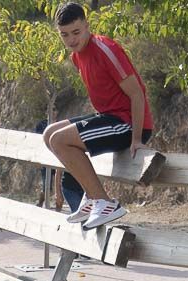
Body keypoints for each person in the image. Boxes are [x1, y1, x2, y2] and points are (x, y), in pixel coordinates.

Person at [45, 2, 153, 229]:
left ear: (87, 26)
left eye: (76, 32)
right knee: (49, 134)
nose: (71, 40)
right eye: (64, 35)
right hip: (109, 118)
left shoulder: (105, 49)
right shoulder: (77, 57)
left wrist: (136, 139)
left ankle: (104, 202)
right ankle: (92, 195)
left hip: (129, 123)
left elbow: (137, 94)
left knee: (59, 140)